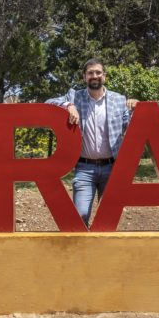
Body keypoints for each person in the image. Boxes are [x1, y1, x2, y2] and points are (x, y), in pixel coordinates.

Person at [46, 58, 137, 225]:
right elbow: (48, 103)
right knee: (79, 217)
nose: (94, 76)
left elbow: (130, 128)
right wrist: (68, 105)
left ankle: (104, 251)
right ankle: (82, 250)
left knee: (109, 220)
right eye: (90, 73)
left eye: (98, 72)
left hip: (111, 168)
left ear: (104, 76)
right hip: (84, 168)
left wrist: (135, 110)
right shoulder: (74, 96)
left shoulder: (119, 100)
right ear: (84, 77)